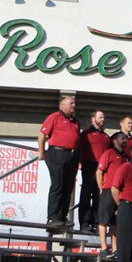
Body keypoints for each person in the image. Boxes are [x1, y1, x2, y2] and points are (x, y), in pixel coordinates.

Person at [37, 95, 81, 228]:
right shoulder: (54, 117)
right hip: (57, 153)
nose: (74, 106)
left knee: (68, 187)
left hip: (71, 155)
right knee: (58, 185)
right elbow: (42, 135)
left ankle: (62, 216)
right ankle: (52, 217)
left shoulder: (75, 121)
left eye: (74, 103)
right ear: (62, 105)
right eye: (71, 103)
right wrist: (41, 152)